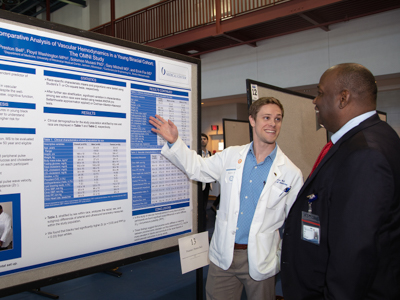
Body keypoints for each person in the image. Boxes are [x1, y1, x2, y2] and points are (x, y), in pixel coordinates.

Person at [150, 97, 303, 300]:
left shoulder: (291, 173)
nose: (273, 124)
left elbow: (294, 225)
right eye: (266, 117)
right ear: (252, 120)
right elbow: (198, 169)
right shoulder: (231, 156)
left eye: (278, 119)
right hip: (224, 256)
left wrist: (280, 258)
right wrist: (175, 142)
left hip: (261, 258)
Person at [281, 63, 400, 299]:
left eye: (321, 92)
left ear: (343, 98)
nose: (315, 101)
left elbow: (354, 252)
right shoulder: (376, 136)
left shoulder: (365, 154)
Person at [200, 133, 212, 229]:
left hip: (207, 180)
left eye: (204, 139)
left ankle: (204, 213)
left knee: (206, 199)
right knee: (200, 199)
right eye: (201, 139)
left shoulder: (209, 153)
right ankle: (201, 215)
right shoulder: (197, 152)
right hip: (200, 180)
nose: (203, 140)